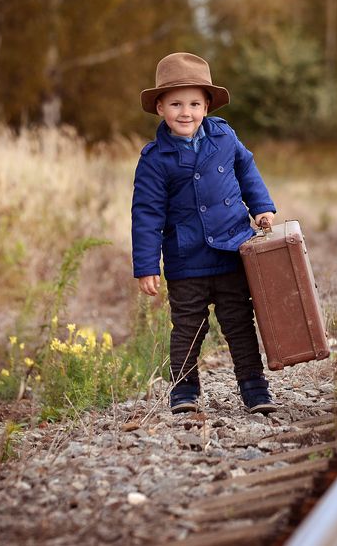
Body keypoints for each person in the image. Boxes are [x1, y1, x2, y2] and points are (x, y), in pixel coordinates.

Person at [131, 52, 277, 415]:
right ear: (160, 108)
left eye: (195, 103)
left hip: (231, 252)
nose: (186, 112)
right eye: (176, 104)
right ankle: (184, 390)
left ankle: (254, 387)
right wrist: (147, 265)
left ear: (207, 105)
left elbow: (246, 168)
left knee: (240, 324)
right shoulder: (154, 159)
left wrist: (261, 205)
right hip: (186, 260)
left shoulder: (225, 138)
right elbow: (146, 213)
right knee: (187, 329)